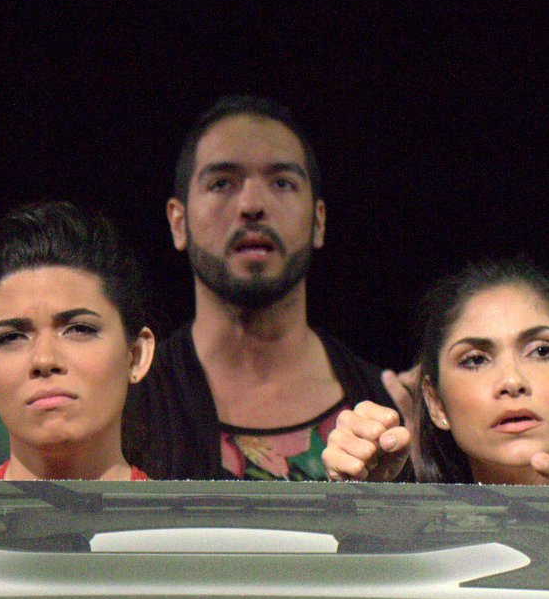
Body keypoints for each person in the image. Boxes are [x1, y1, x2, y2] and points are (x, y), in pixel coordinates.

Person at [129, 95, 400, 479]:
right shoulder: (129, 405)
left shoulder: (387, 408)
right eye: (222, 183)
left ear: (318, 221)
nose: (252, 205)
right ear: (178, 221)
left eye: (282, 183)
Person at [322, 257, 549, 487]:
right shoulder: (409, 533)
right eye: (475, 360)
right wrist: (361, 500)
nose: (512, 382)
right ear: (436, 403)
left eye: (541, 351)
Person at [0, 201, 155, 481]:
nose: (44, 360)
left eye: (79, 329)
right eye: (12, 337)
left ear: (136, 355)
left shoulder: (189, 513)